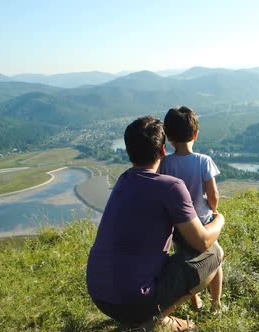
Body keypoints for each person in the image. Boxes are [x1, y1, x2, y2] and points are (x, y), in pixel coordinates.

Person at [86, 116, 224, 331]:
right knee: (214, 253)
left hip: (99, 295)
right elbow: (202, 241)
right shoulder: (171, 187)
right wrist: (219, 219)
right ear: (162, 151)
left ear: (129, 152)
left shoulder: (123, 180)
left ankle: (151, 316)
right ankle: (154, 319)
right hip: (134, 300)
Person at [160, 106, 225, 314]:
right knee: (215, 261)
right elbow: (212, 194)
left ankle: (195, 301)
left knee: (186, 260)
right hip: (204, 223)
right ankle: (216, 304)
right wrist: (214, 210)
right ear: (195, 134)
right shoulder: (203, 161)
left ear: (168, 137)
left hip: (179, 225)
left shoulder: (165, 164)